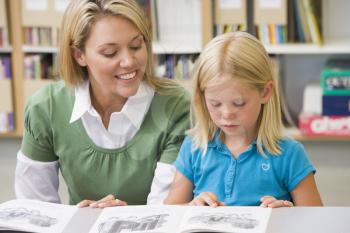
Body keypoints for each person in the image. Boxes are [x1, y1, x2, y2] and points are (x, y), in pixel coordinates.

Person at [15, 0, 189, 207]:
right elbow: (35, 208)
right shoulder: (45, 108)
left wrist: (122, 219)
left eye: (136, 45)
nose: (129, 61)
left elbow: (167, 210)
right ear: (79, 55)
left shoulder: (176, 106)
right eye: (110, 52)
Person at [164, 31, 323, 208]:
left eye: (239, 103)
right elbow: (171, 214)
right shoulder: (194, 147)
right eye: (215, 104)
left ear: (265, 92)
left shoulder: (290, 154)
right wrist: (192, 207)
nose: (226, 114)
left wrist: (287, 214)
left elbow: (315, 221)